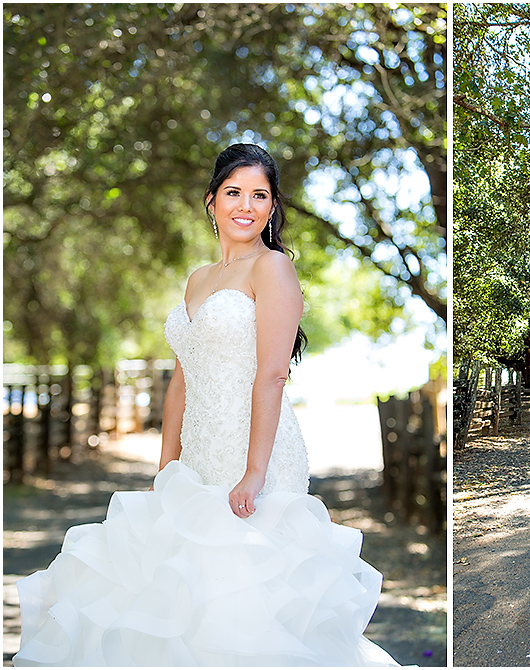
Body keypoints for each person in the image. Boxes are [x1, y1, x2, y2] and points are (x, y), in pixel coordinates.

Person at [13, 144, 400, 666]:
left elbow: (271, 376)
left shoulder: (274, 269)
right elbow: (181, 380)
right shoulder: (197, 279)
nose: (246, 205)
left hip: (256, 454)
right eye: (234, 192)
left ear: (272, 206)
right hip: (196, 459)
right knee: (181, 599)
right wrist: (167, 464)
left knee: (246, 603)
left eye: (260, 195)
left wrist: (255, 472)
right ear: (212, 200)